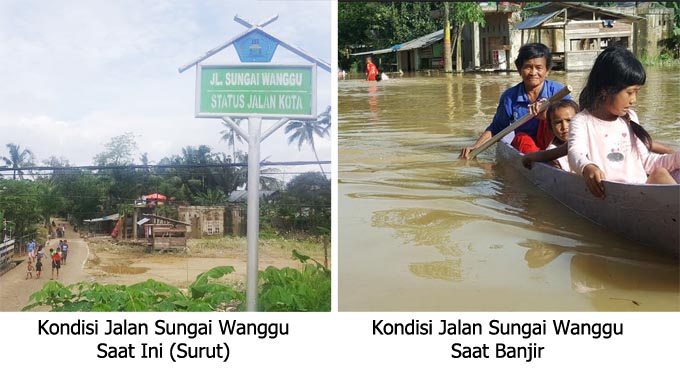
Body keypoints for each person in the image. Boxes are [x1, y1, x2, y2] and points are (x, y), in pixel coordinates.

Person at [568, 46, 680, 199]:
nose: (634, 100)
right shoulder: (582, 121)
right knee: (660, 174)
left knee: (662, 172)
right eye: (629, 92)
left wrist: (677, 158)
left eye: (636, 92)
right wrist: (587, 167)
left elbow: (648, 162)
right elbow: (575, 152)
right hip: (613, 194)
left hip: (641, 193)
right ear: (605, 90)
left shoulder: (630, 118)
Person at [459, 43, 570, 159]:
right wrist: (476, 146)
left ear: (547, 71)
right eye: (528, 67)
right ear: (519, 70)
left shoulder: (558, 92)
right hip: (528, 148)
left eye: (538, 68)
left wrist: (547, 114)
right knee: (521, 138)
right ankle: (540, 160)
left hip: (556, 143)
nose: (533, 73)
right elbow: (497, 128)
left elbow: (573, 122)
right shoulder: (510, 97)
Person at [522, 99, 579, 171]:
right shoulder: (554, 158)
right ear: (551, 127)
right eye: (558, 122)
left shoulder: (588, 135)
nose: (564, 127)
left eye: (569, 120)